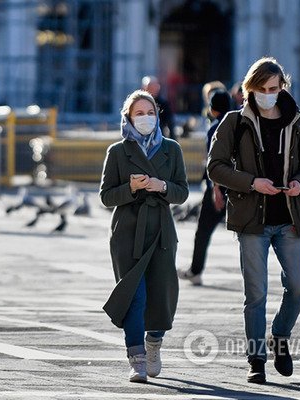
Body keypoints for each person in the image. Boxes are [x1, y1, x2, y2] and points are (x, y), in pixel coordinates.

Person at [207, 57, 300, 384]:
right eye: (262, 89)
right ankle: (256, 359)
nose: (268, 94)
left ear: (282, 87)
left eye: (274, 88)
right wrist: (252, 182)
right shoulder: (234, 121)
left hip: (289, 217)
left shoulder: (298, 121)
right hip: (251, 220)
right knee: (255, 293)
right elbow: (215, 167)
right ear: (250, 89)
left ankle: (279, 335)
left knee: (298, 286)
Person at [100, 90, 189, 383]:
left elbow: (182, 192)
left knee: (161, 295)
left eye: (150, 113)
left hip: (161, 231)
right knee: (134, 297)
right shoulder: (117, 151)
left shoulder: (172, 149)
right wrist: (133, 188)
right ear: (128, 118)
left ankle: (154, 343)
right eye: (139, 114)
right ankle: (136, 357)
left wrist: (161, 186)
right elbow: (106, 197)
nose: (146, 118)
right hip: (127, 232)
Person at [178, 89, 232, 285]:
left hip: (219, 187)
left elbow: (214, 160)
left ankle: (196, 270)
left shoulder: (214, 128)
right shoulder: (239, 123)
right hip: (240, 186)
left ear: (213, 109)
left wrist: (216, 188)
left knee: (203, 232)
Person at [141, 76, 176, 140]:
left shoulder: (163, 103)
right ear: (144, 88)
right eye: (150, 87)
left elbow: (170, 122)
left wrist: (173, 139)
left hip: (159, 138)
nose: (153, 89)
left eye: (155, 86)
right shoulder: (139, 104)